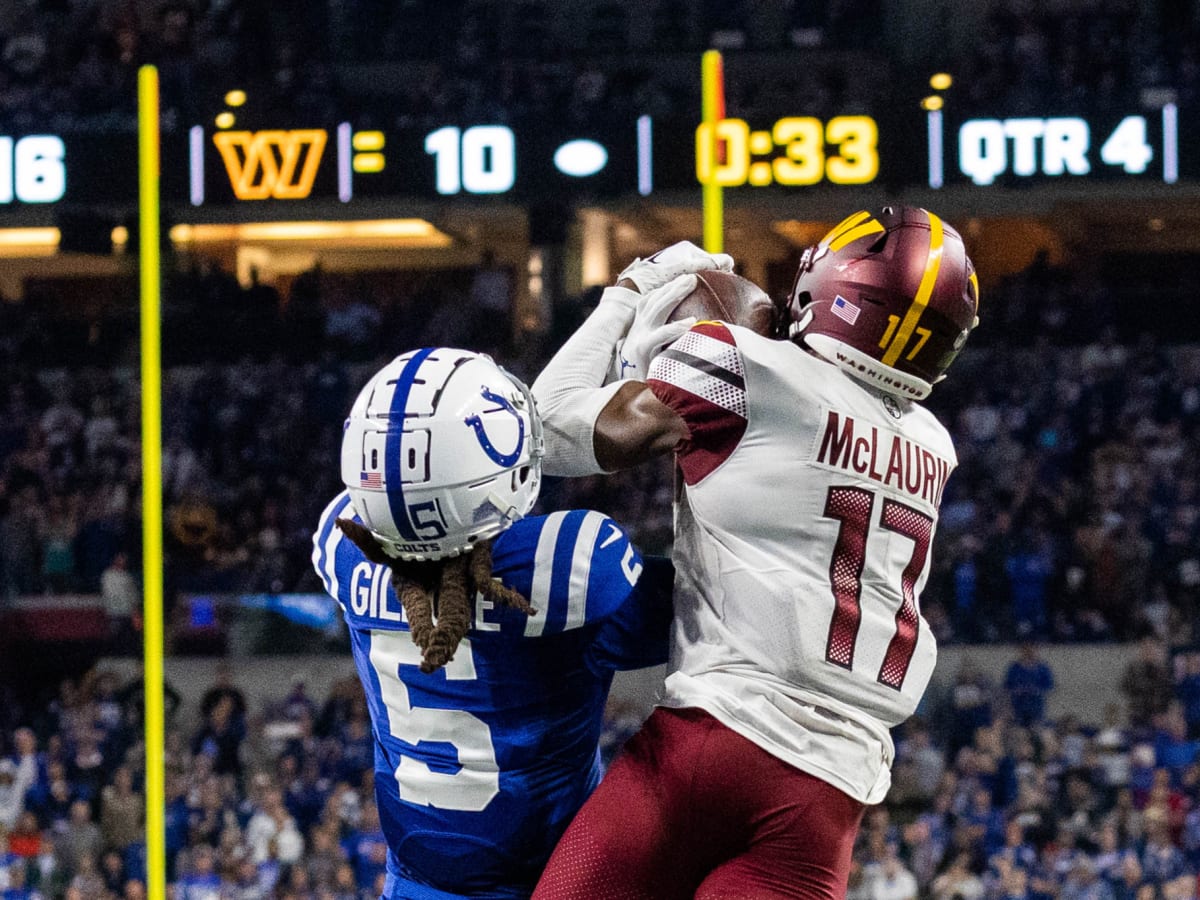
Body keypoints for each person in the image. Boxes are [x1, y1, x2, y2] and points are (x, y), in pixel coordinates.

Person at [529, 207, 981, 899]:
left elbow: (548, 432)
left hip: (708, 743)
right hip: (828, 796)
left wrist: (627, 297)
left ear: (836, 289)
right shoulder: (932, 446)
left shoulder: (744, 368)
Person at [310, 347, 674, 899]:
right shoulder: (561, 567)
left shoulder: (346, 546)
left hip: (413, 884)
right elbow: (701, 606)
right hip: (554, 881)